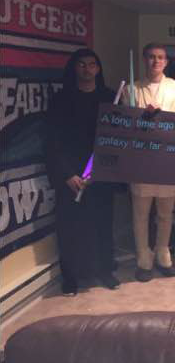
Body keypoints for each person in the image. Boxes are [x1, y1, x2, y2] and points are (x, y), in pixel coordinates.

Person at [45, 48, 119, 296]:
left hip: (101, 172)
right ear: (74, 68)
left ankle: (105, 270)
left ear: (98, 69)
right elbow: (52, 141)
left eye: (92, 65)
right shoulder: (60, 99)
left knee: (102, 224)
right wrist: (67, 174)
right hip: (71, 175)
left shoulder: (110, 98)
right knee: (70, 227)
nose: (87, 69)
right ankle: (71, 278)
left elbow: (120, 137)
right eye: (82, 65)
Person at [124, 43, 175, 282]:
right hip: (141, 161)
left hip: (167, 160)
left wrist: (160, 114)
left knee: (165, 214)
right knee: (140, 214)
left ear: (166, 61)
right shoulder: (132, 89)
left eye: (160, 57)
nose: (156, 61)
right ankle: (143, 258)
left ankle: (163, 254)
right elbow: (124, 122)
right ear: (144, 60)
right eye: (151, 57)